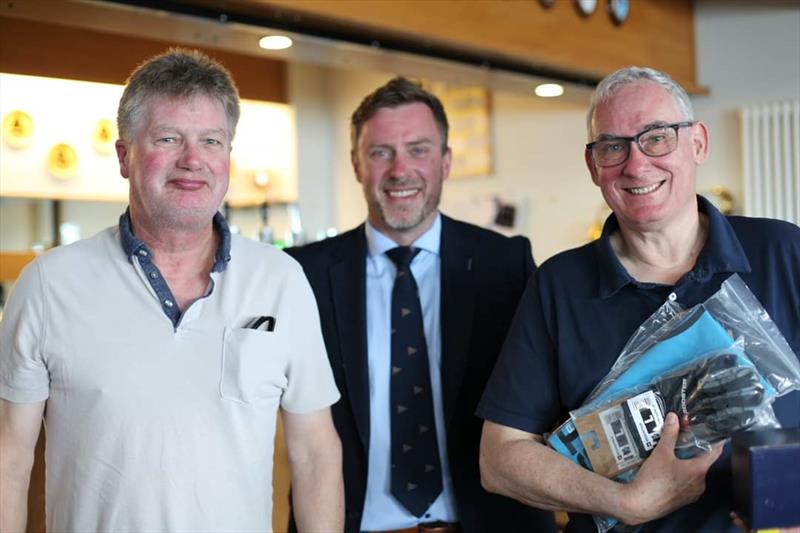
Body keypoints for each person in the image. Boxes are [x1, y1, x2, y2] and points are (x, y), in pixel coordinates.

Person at [0, 48, 343, 532]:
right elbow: (9, 460)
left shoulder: (281, 280)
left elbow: (315, 454)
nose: (193, 160)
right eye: (168, 138)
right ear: (124, 155)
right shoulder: (48, 284)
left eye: (211, 140)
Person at [477, 66, 800, 532]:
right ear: (593, 167)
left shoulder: (783, 252)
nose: (635, 164)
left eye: (657, 137)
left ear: (698, 144)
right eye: (613, 146)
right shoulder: (559, 285)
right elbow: (499, 457)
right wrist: (625, 501)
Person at [287, 77, 555, 533]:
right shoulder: (300, 275)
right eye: (380, 152)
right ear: (356, 164)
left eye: (418, 149)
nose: (399, 169)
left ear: (446, 161)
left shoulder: (505, 266)